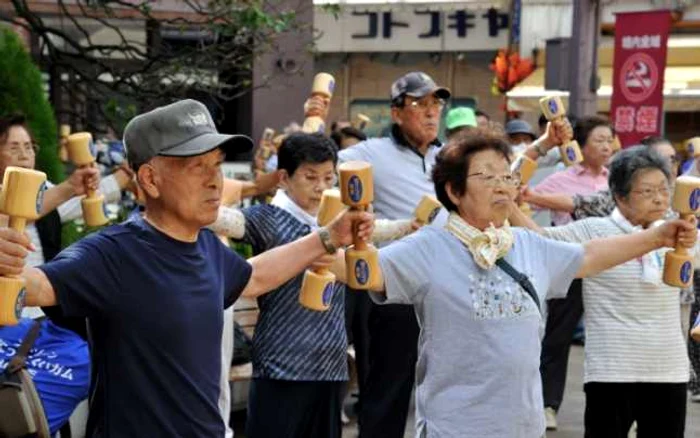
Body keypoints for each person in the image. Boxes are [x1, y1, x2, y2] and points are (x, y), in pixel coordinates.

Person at [0, 99, 373, 437]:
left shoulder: (207, 246)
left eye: (217, 165)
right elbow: (33, 285)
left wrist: (327, 237)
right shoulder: (113, 254)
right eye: (197, 166)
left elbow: (255, 276)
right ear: (149, 179)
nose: (215, 180)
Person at [363, 131, 695, 437]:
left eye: (507, 176)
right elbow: (364, 272)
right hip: (454, 426)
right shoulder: (428, 247)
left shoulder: (526, 244)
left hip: (523, 424)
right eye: (488, 176)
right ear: (453, 190)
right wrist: (330, 240)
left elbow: (589, 256)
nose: (502, 185)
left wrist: (658, 236)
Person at [519, 146, 691, 437]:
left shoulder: (680, 233)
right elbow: (540, 242)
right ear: (620, 196)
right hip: (611, 369)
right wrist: (510, 205)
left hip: (668, 368)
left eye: (664, 188)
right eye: (647, 192)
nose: (660, 198)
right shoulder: (594, 231)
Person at [531, 115, 614, 429]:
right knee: (557, 336)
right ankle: (547, 404)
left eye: (610, 140)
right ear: (581, 146)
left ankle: (623, 405)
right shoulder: (560, 179)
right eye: (599, 140)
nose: (606, 147)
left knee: (609, 335)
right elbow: (526, 204)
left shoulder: (615, 179)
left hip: (609, 266)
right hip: (570, 264)